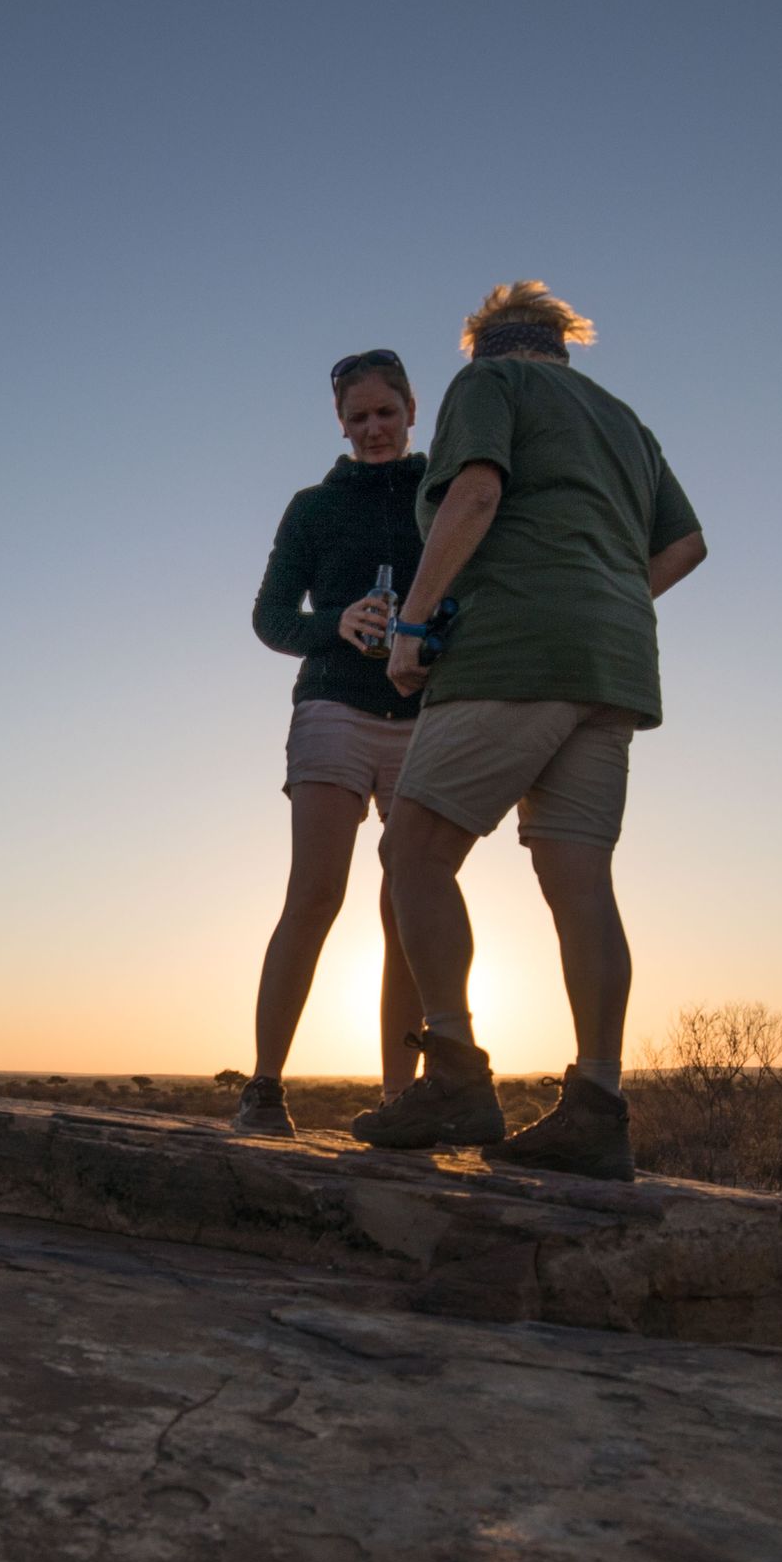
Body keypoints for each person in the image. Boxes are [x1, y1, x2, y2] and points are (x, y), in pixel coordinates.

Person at [350, 282, 706, 1179]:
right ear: (561, 345)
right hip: (613, 666)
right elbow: (686, 544)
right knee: (579, 879)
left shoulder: (491, 386)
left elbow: (473, 493)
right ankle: (597, 1103)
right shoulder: (626, 423)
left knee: (414, 851)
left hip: (513, 649)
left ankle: (459, 1075)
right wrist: (604, 600)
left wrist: (414, 624)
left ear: (486, 347)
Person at [234, 350, 431, 1135]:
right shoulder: (312, 508)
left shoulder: (444, 495)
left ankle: (398, 1103)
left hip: (426, 717)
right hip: (332, 712)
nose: (374, 429)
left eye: (386, 412)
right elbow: (271, 619)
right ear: (340, 425)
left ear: (412, 410)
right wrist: (337, 624)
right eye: (359, 418)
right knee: (314, 894)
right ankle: (264, 1089)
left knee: (409, 909)